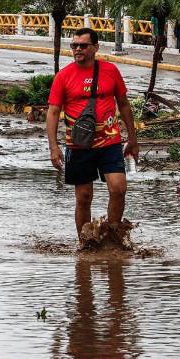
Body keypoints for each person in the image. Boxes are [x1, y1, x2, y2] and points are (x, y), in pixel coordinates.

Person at [46, 28, 139, 241]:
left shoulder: (110, 71)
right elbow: (52, 112)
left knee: (118, 189)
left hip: (111, 142)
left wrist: (132, 139)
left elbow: (124, 105)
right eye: (74, 45)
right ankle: (85, 243)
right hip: (79, 146)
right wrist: (53, 147)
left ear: (95, 48)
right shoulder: (63, 76)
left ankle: (113, 238)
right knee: (84, 197)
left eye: (83, 45)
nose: (77, 49)